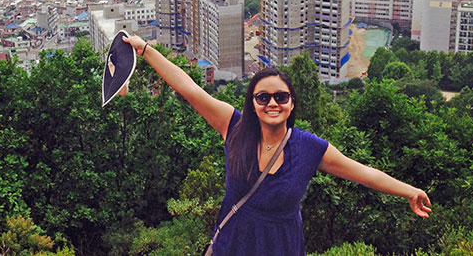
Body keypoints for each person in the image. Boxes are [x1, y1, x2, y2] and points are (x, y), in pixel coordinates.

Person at [123, 35, 432, 256]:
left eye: (280, 97)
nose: (272, 103)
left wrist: (409, 191)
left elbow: (363, 173)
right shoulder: (234, 126)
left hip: (281, 246)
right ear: (253, 103)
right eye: (263, 97)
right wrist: (146, 50)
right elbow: (189, 88)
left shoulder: (309, 148)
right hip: (233, 244)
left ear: (291, 102)